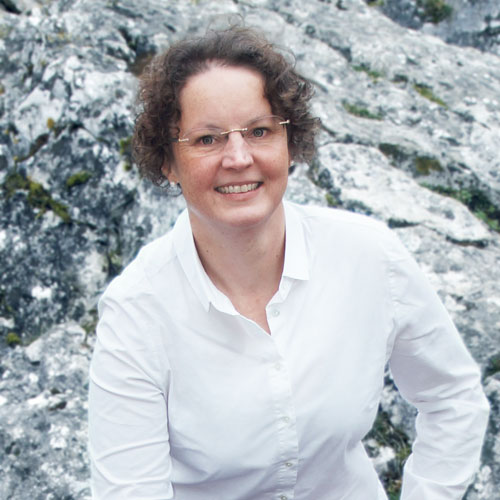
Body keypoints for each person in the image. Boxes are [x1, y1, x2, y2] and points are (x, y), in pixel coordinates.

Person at [88, 26, 490, 500]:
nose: (238, 157)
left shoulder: (368, 256)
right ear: (167, 163)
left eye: (259, 131)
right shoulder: (138, 310)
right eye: (207, 139)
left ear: (290, 142)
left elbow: (453, 399)